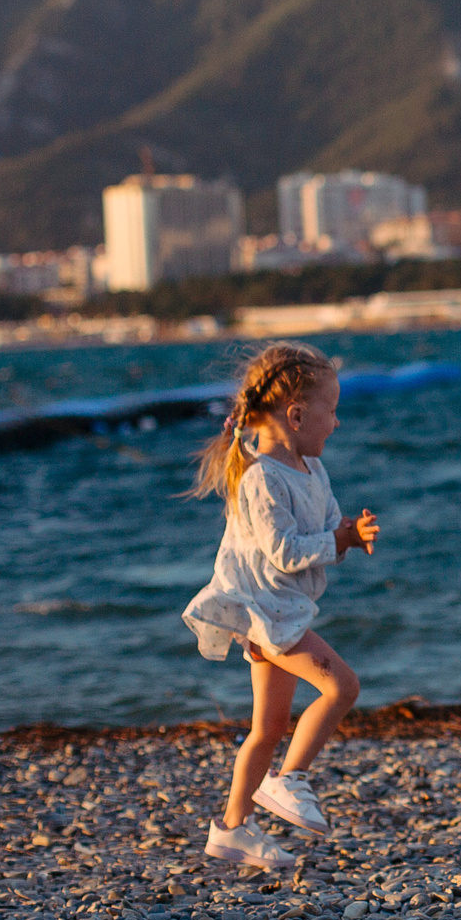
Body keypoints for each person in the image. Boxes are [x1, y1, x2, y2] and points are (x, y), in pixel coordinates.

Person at [183, 341, 380, 869]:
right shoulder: (262, 477)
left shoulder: (311, 470)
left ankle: (231, 829)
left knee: (267, 728)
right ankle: (286, 780)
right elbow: (284, 551)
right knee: (342, 686)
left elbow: (321, 526)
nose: (336, 424)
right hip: (268, 613)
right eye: (331, 412)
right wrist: (335, 544)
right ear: (296, 415)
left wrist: (348, 532)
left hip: (279, 609)